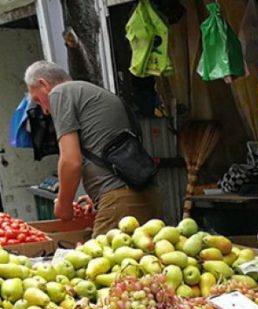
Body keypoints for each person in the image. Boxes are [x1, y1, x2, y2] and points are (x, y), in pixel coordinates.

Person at [24, 61, 160, 236]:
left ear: (44, 84)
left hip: (121, 202)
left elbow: (71, 161)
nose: (44, 110)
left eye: (37, 99)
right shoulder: (94, 94)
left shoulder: (60, 93)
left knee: (101, 262)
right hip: (148, 195)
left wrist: (63, 205)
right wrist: (98, 192)